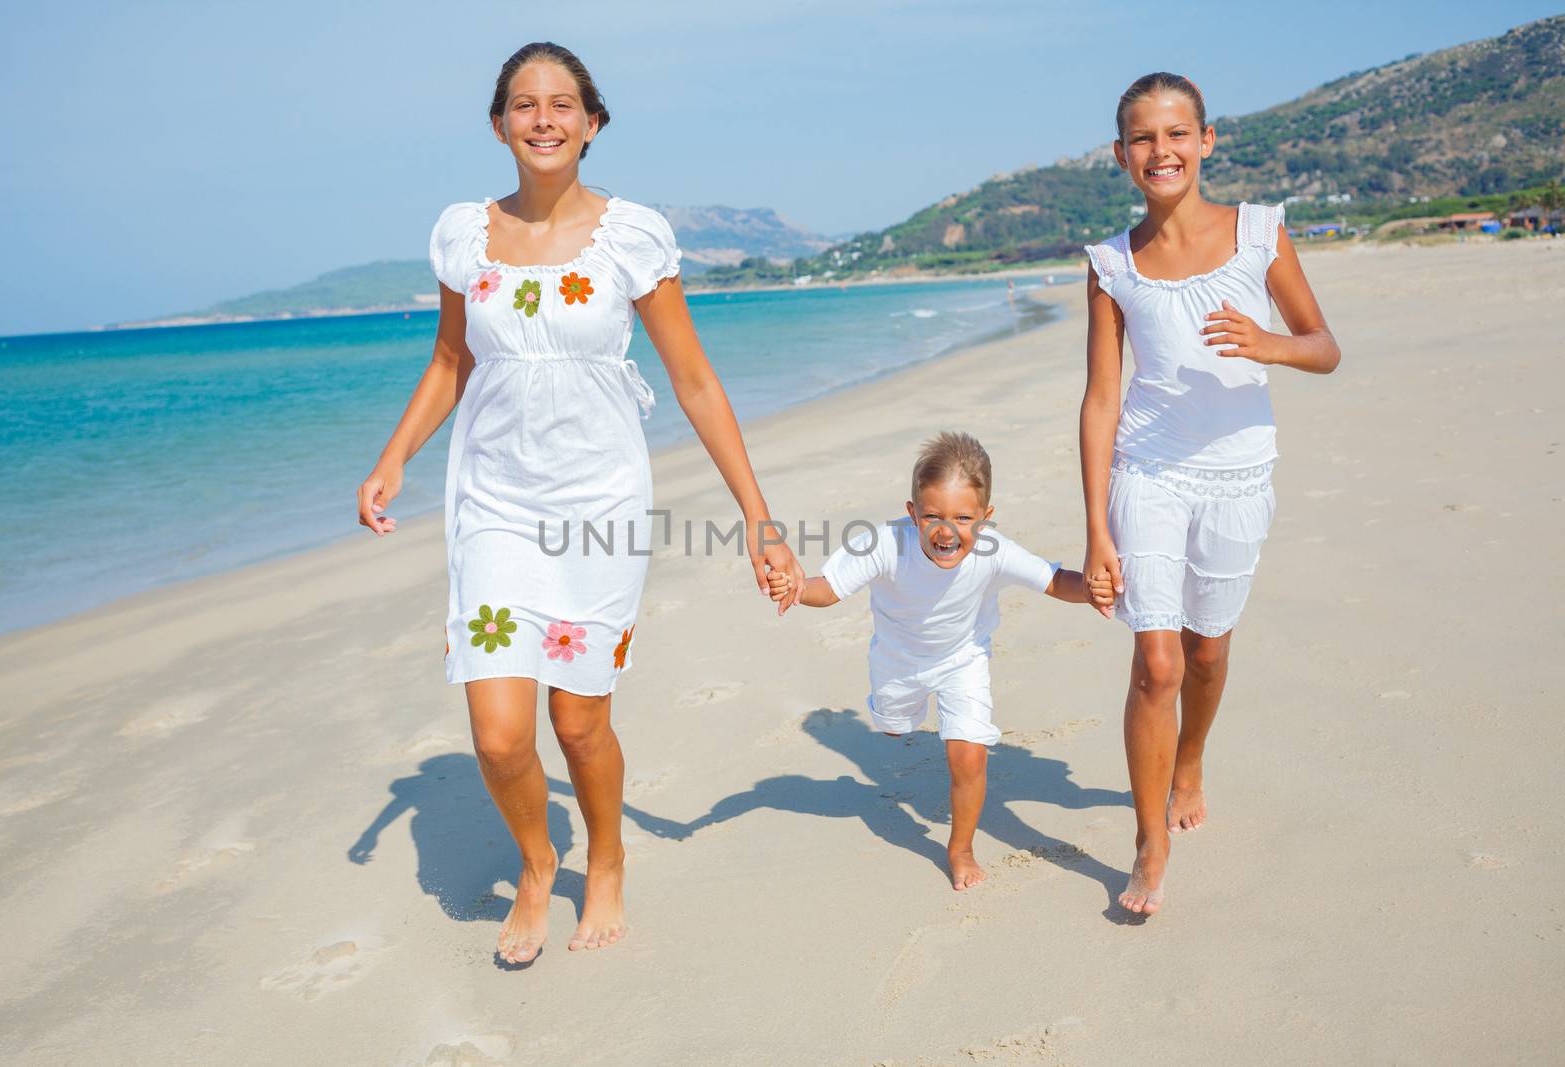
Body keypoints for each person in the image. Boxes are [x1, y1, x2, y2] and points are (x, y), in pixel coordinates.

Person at [356, 41, 805, 964]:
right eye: (525, 104)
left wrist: (757, 515)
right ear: (499, 124)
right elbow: (450, 360)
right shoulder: (461, 234)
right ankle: (535, 862)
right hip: (493, 503)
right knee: (497, 732)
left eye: (563, 104)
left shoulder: (630, 236)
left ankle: (605, 856)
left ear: (592, 123)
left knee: (577, 720)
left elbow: (693, 377)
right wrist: (395, 455)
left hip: (598, 506)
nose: (544, 119)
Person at [1078, 72, 1341, 915]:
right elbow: (1101, 400)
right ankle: (1149, 838)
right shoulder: (1111, 264)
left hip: (1236, 470)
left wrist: (1269, 343)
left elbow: (1325, 345)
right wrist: (1095, 529)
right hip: (1146, 468)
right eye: (1144, 139)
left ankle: (1190, 760)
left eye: (1176, 134)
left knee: (1207, 654)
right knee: (1156, 661)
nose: (1162, 151)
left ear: (1207, 141)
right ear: (1121, 156)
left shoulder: (1260, 233)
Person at [767, 431, 1098, 890]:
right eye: (933, 517)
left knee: (969, 756)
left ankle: (960, 848)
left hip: (964, 659)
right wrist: (798, 589)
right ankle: (895, 715)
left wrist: (1096, 588)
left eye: (964, 517)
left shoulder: (993, 550)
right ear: (912, 514)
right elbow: (829, 588)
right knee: (893, 728)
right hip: (897, 661)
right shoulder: (883, 544)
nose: (947, 531)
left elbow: (1055, 581)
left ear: (985, 519)